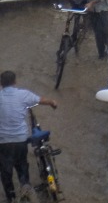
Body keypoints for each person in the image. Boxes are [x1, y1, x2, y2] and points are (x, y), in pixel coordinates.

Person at [0, 70, 57, 203]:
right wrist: (52, 102)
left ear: (1, 84)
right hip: (21, 140)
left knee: (5, 172)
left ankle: (11, 198)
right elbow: (41, 100)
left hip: (3, 142)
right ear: (15, 82)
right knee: (22, 166)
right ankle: (25, 186)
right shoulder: (23, 94)